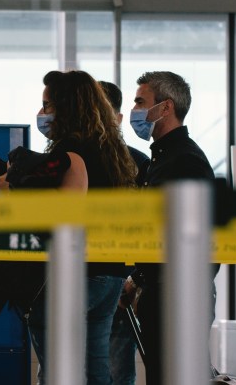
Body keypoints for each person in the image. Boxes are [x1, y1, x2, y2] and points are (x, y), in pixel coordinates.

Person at [0, 69, 138, 385]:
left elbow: (63, 217)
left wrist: (14, 195)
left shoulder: (70, 152)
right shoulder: (112, 152)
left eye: (48, 105)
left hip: (77, 272)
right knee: (96, 368)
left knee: (59, 370)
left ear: (67, 107)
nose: (43, 113)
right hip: (110, 271)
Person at [119, 71, 217, 385]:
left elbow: (188, 238)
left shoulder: (184, 161)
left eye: (140, 101)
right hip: (163, 291)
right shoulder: (162, 160)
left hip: (179, 294)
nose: (134, 109)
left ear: (165, 108)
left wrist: (140, 277)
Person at [99, 80, 150, 385]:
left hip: (119, 283)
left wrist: (133, 279)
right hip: (75, 281)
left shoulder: (138, 164)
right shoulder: (63, 163)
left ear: (117, 118)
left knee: (117, 370)